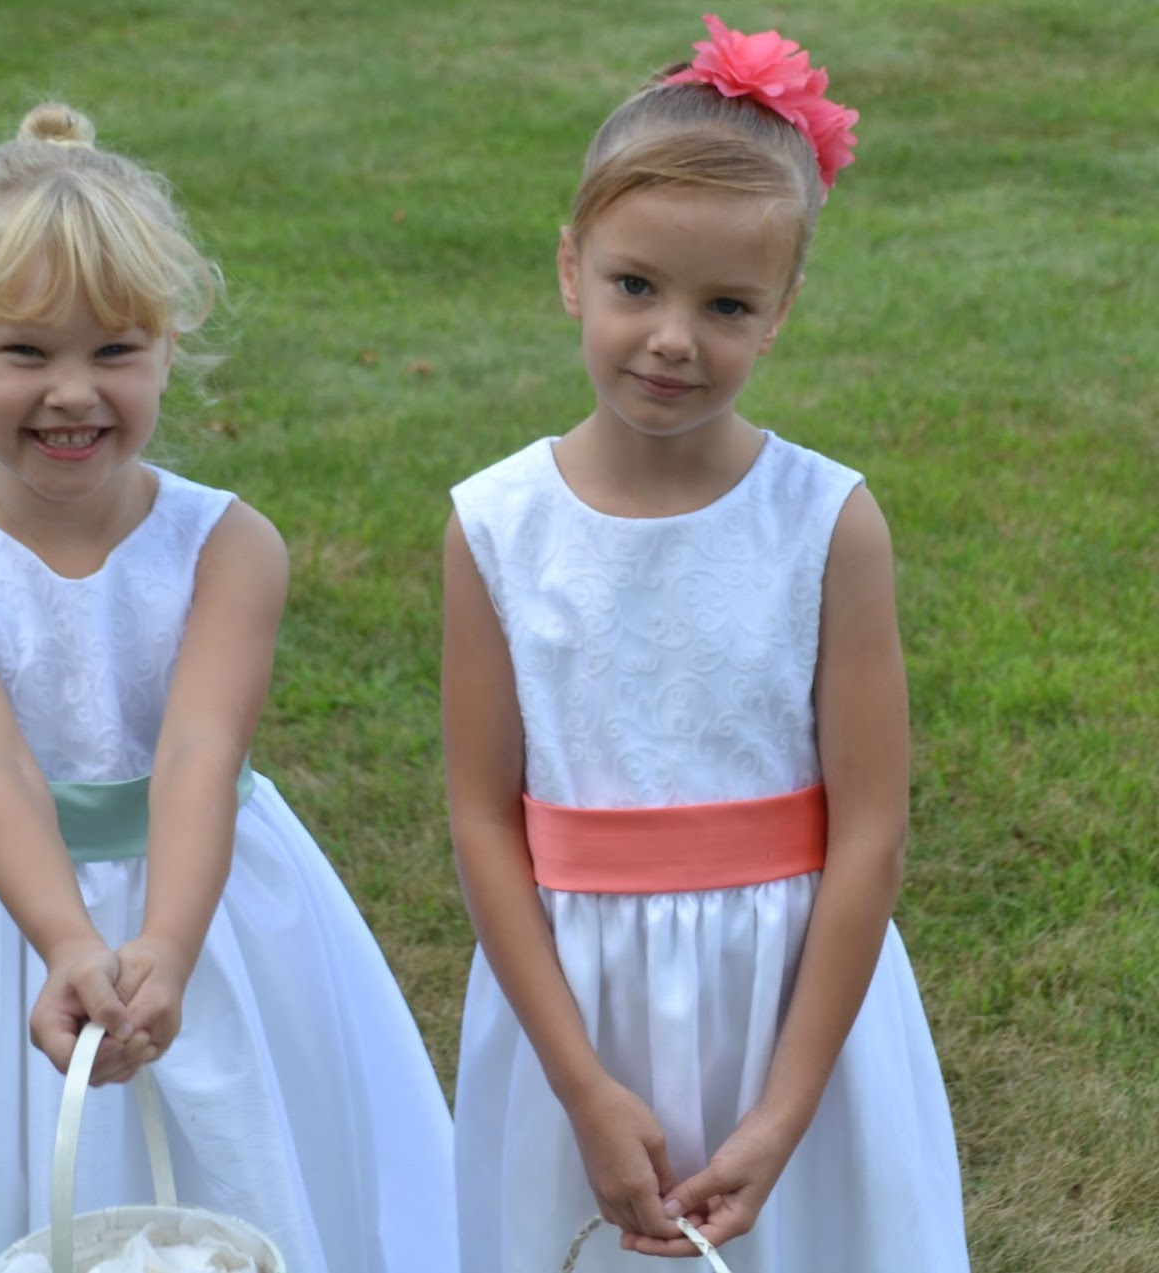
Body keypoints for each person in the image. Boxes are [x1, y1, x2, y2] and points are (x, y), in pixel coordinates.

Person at [0, 102, 457, 1273]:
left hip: (207, 901)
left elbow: (196, 755)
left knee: (239, 1155)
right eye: (26, 352)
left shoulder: (228, 545)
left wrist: (166, 946)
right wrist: (67, 941)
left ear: (170, 343)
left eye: (114, 351)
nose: (71, 392)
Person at [443, 17, 969, 1272]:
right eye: (637, 286)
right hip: (577, 1011)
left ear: (780, 310)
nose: (673, 337)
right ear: (572, 267)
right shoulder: (496, 527)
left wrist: (786, 1108)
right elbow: (480, 815)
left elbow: (871, 830)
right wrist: (577, 1082)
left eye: (725, 303)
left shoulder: (827, 523)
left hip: (790, 1000)